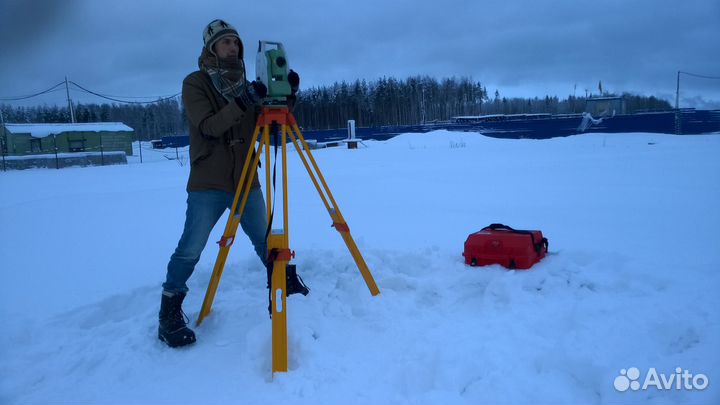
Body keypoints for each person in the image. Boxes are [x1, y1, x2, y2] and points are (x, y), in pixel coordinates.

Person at [158, 19, 300, 348]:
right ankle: (169, 310)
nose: (233, 47)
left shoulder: (248, 85)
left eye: (236, 42)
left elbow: (271, 132)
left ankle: (284, 282)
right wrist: (245, 100)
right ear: (211, 48)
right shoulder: (196, 83)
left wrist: (288, 95)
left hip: (246, 179)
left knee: (265, 238)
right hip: (209, 181)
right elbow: (208, 126)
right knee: (190, 249)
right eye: (225, 43)